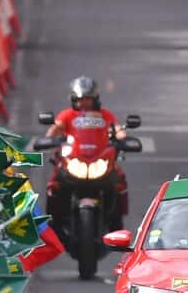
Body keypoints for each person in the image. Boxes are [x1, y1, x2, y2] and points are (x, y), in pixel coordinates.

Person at [45, 76, 131, 231]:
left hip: (99, 161)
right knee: (53, 183)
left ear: (95, 99)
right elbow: (55, 128)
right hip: (74, 160)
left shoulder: (105, 115)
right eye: (80, 99)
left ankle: (116, 223)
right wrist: (49, 138)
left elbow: (117, 129)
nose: (84, 102)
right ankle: (52, 224)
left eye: (88, 99)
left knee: (120, 180)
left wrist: (123, 138)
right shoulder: (67, 115)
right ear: (74, 99)